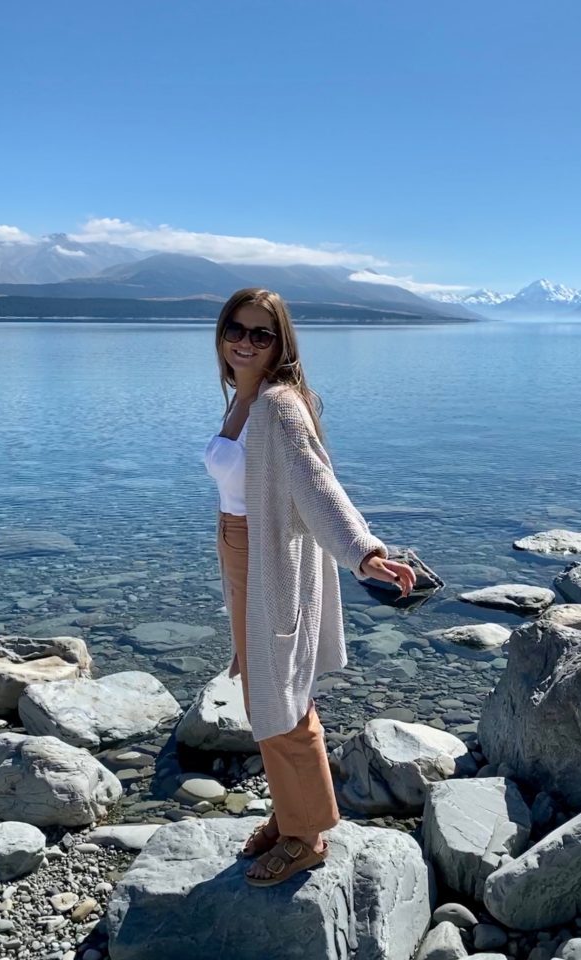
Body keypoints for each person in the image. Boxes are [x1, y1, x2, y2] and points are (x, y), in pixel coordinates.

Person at [203, 287, 416, 888]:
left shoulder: (279, 407)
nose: (245, 341)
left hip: (269, 558)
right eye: (236, 330)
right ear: (222, 336)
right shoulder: (243, 401)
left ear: (281, 344)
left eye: (261, 334)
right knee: (261, 688)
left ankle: (309, 835)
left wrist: (363, 553)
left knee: (284, 696)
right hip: (238, 550)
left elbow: (318, 486)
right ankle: (289, 811)